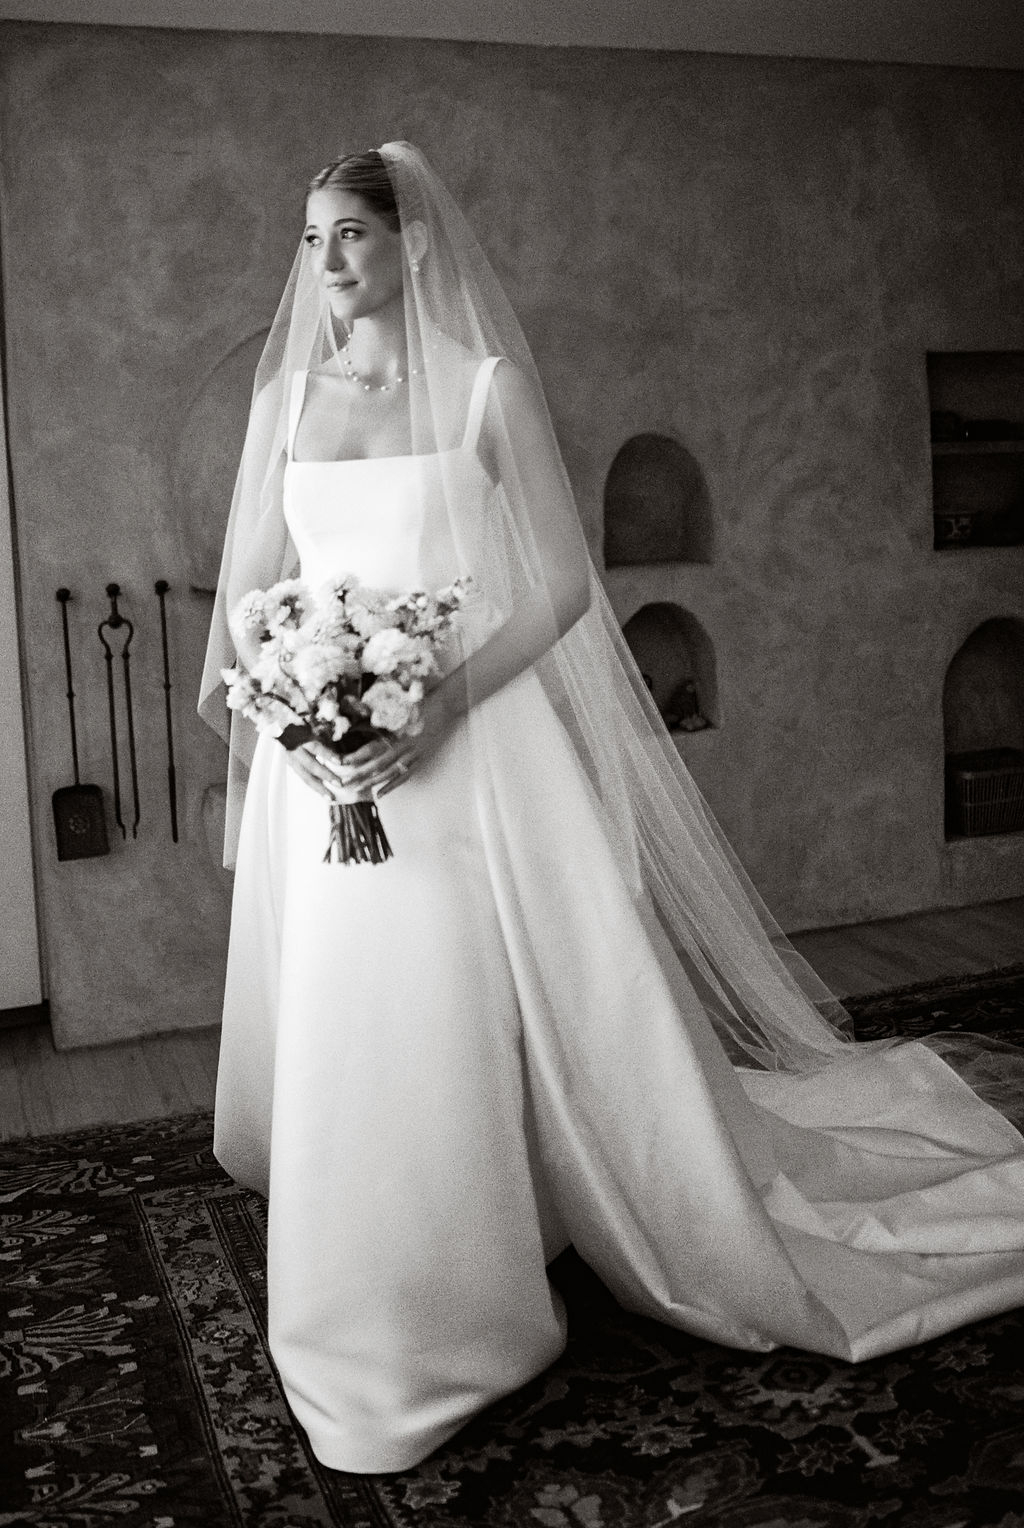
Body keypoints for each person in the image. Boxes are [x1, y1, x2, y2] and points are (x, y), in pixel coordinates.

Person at [200, 142, 1024, 1476]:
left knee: (449, 995)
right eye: (311, 239)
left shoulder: (487, 387)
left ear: (414, 243)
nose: (326, 262)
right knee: (352, 1003)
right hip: (325, 759)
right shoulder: (286, 398)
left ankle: (465, 1277)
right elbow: (252, 587)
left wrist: (434, 706)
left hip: (462, 737)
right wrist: (297, 709)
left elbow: (558, 587)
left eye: (348, 233)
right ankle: (370, 1255)